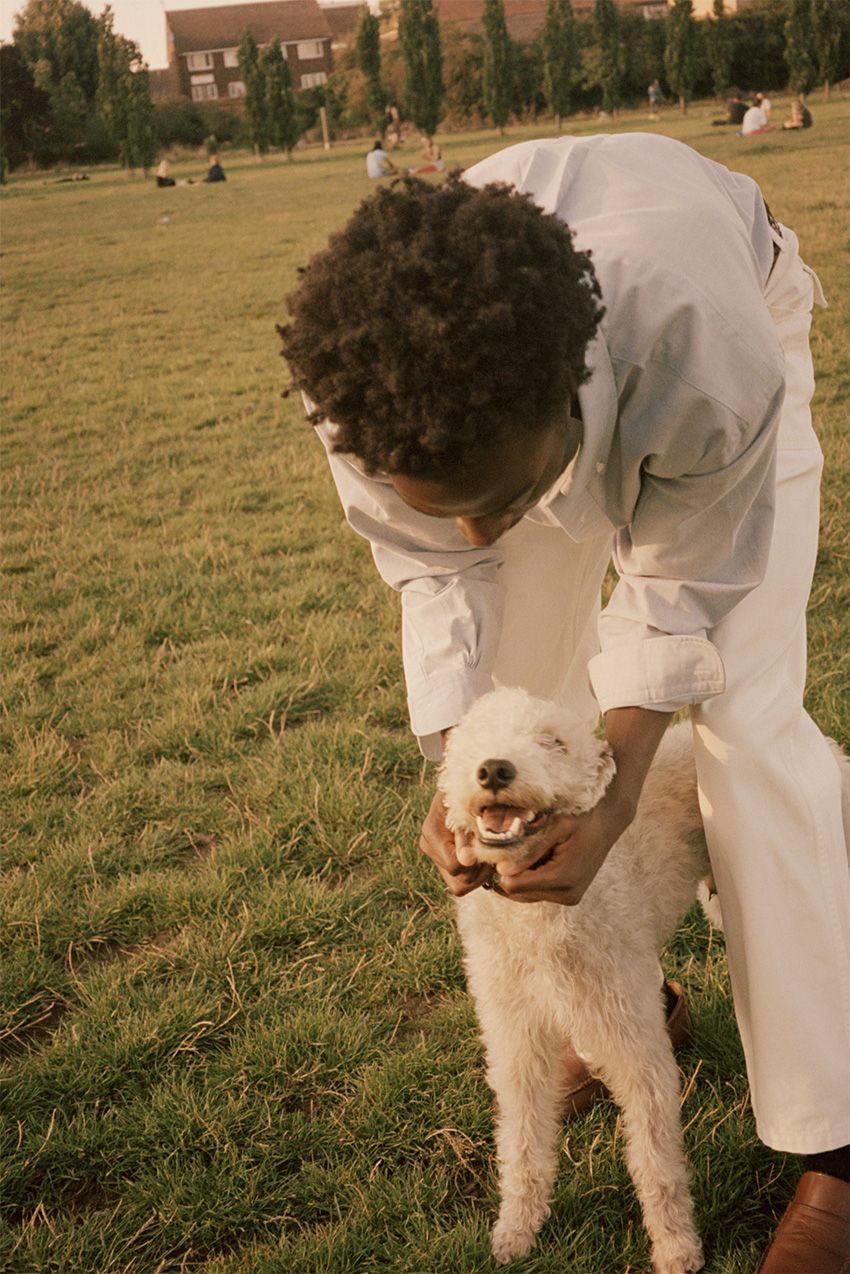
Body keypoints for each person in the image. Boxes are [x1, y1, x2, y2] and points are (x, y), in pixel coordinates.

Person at [280, 136, 850, 1272]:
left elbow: (680, 585)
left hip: (719, 320)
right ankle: (625, 1000)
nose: (488, 534)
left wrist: (623, 778)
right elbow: (445, 574)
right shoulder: (363, 386)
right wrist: (455, 767)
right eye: (451, 506)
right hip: (524, 387)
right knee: (526, 694)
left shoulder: (699, 347)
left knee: (742, 720)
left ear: (561, 402)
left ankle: (834, 1130)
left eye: (498, 499)